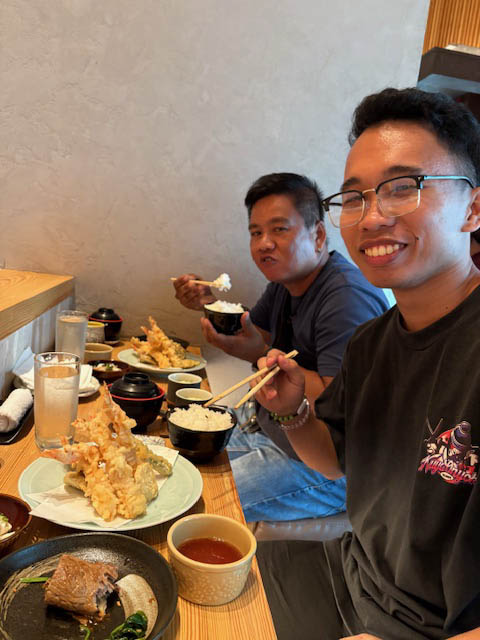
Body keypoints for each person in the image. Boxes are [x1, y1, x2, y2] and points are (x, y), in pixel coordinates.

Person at [253, 88, 480, 640]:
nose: (372, 217)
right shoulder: (371, 343)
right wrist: (293, 412)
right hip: (351, 572)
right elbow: (335, 462)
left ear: (473, 208)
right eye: (354, 197)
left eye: (403, 188)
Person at [174, 173, 389, 522]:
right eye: (256, 232)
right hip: (270, 431)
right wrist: (210, 305)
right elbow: (254, 336)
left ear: (318, 235)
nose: (264, 244)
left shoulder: (346, 297)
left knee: (194, 503)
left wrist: (258, 355)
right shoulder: (284, 283)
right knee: (176, 463)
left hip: (330, 466)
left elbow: (337, 401)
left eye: (279, 229)